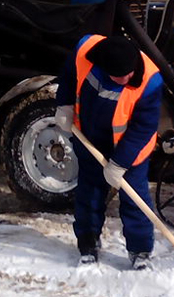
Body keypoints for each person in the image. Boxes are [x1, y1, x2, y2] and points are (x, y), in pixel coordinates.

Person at [53, 34, 164, 270]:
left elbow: (143, 127)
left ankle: (140, 250)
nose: (126, 78)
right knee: (89, 193)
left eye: (129, 73)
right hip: (90, 139)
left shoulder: (150, 81)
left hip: (131, 149)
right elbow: (69, 76)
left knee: (134, 199)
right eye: (119, 76)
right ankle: (88, 243)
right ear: (103, 67)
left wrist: (120, 163)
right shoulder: (85, 50)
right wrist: (63, 104)